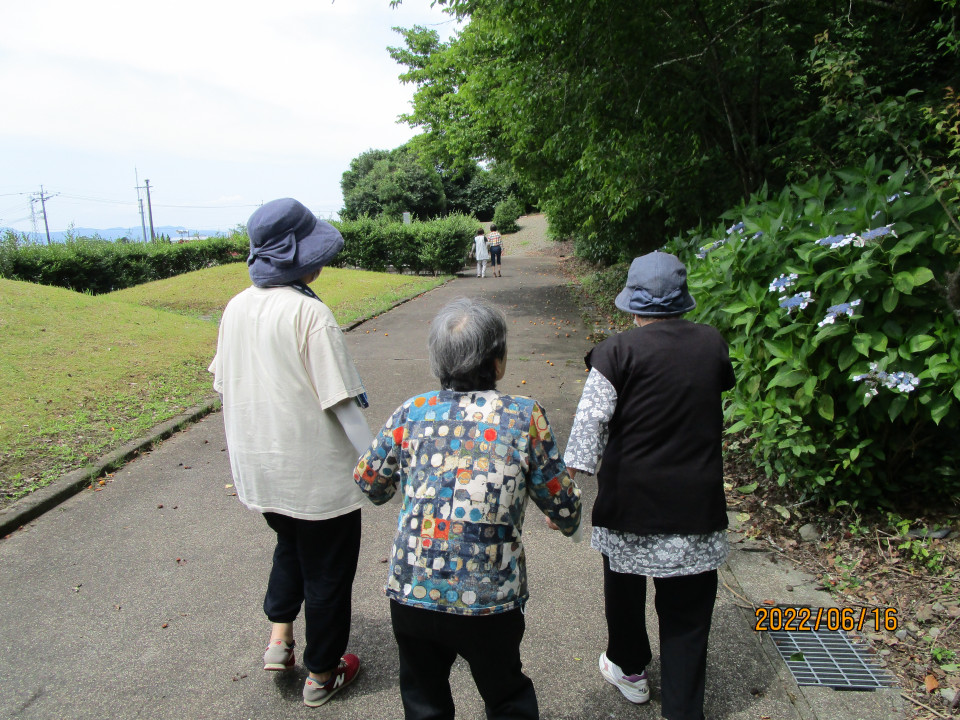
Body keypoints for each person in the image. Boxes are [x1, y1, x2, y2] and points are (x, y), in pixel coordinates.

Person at [354, 297, 582, 720]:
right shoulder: (523, 415)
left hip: (413, 589)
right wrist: (567, 521)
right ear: (498, 361)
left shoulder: (411, 412)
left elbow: (370, 482)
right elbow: (562, 501)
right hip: (489, 597)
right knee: (506, 694)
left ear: (438, 362)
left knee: (424, 700)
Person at [209, 198, 372, 708]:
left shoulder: (237, 306)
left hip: (263, 471)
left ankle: (279, 638)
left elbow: (223, 383)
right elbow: (342, 403)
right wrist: (378, 465)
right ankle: (322, 673)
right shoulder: (309, 313)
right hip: (317, 478)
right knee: (327, 571)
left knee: (290, 545)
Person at [563, 251, 735, 720]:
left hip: (630, 504)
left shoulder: (615, 353)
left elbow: (590, 426)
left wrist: (566, 485)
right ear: (683, 300)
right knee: (687, 615)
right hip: (695, 507)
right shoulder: (712, 344)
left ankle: (630, 667)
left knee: (623, 590)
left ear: (632, 305)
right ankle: (683, 709)